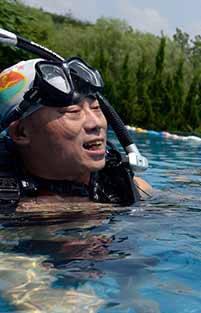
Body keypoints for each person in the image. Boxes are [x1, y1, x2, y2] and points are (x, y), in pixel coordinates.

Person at [0, 58, 152, 211]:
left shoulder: (122, 187)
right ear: (21, 133)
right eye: (73, 111)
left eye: (96, 108)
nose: (95, 123)